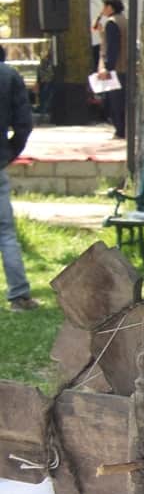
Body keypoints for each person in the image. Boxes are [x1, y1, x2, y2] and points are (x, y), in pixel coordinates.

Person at [1, 45, 36, 312]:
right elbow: (24, 123)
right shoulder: (9, 76)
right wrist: (10, 152)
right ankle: (19, 295)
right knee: (5, 232)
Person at [97, 0, 128, 139]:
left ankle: (120, 130)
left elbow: (113, 47)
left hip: (117, 67)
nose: (102, 10)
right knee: (123, 100)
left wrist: (107, 68)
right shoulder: (125, 20)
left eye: (104, 6)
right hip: (126, 66)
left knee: (115, 102)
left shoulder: (112, 23)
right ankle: (124, 129)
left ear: (110, 7)